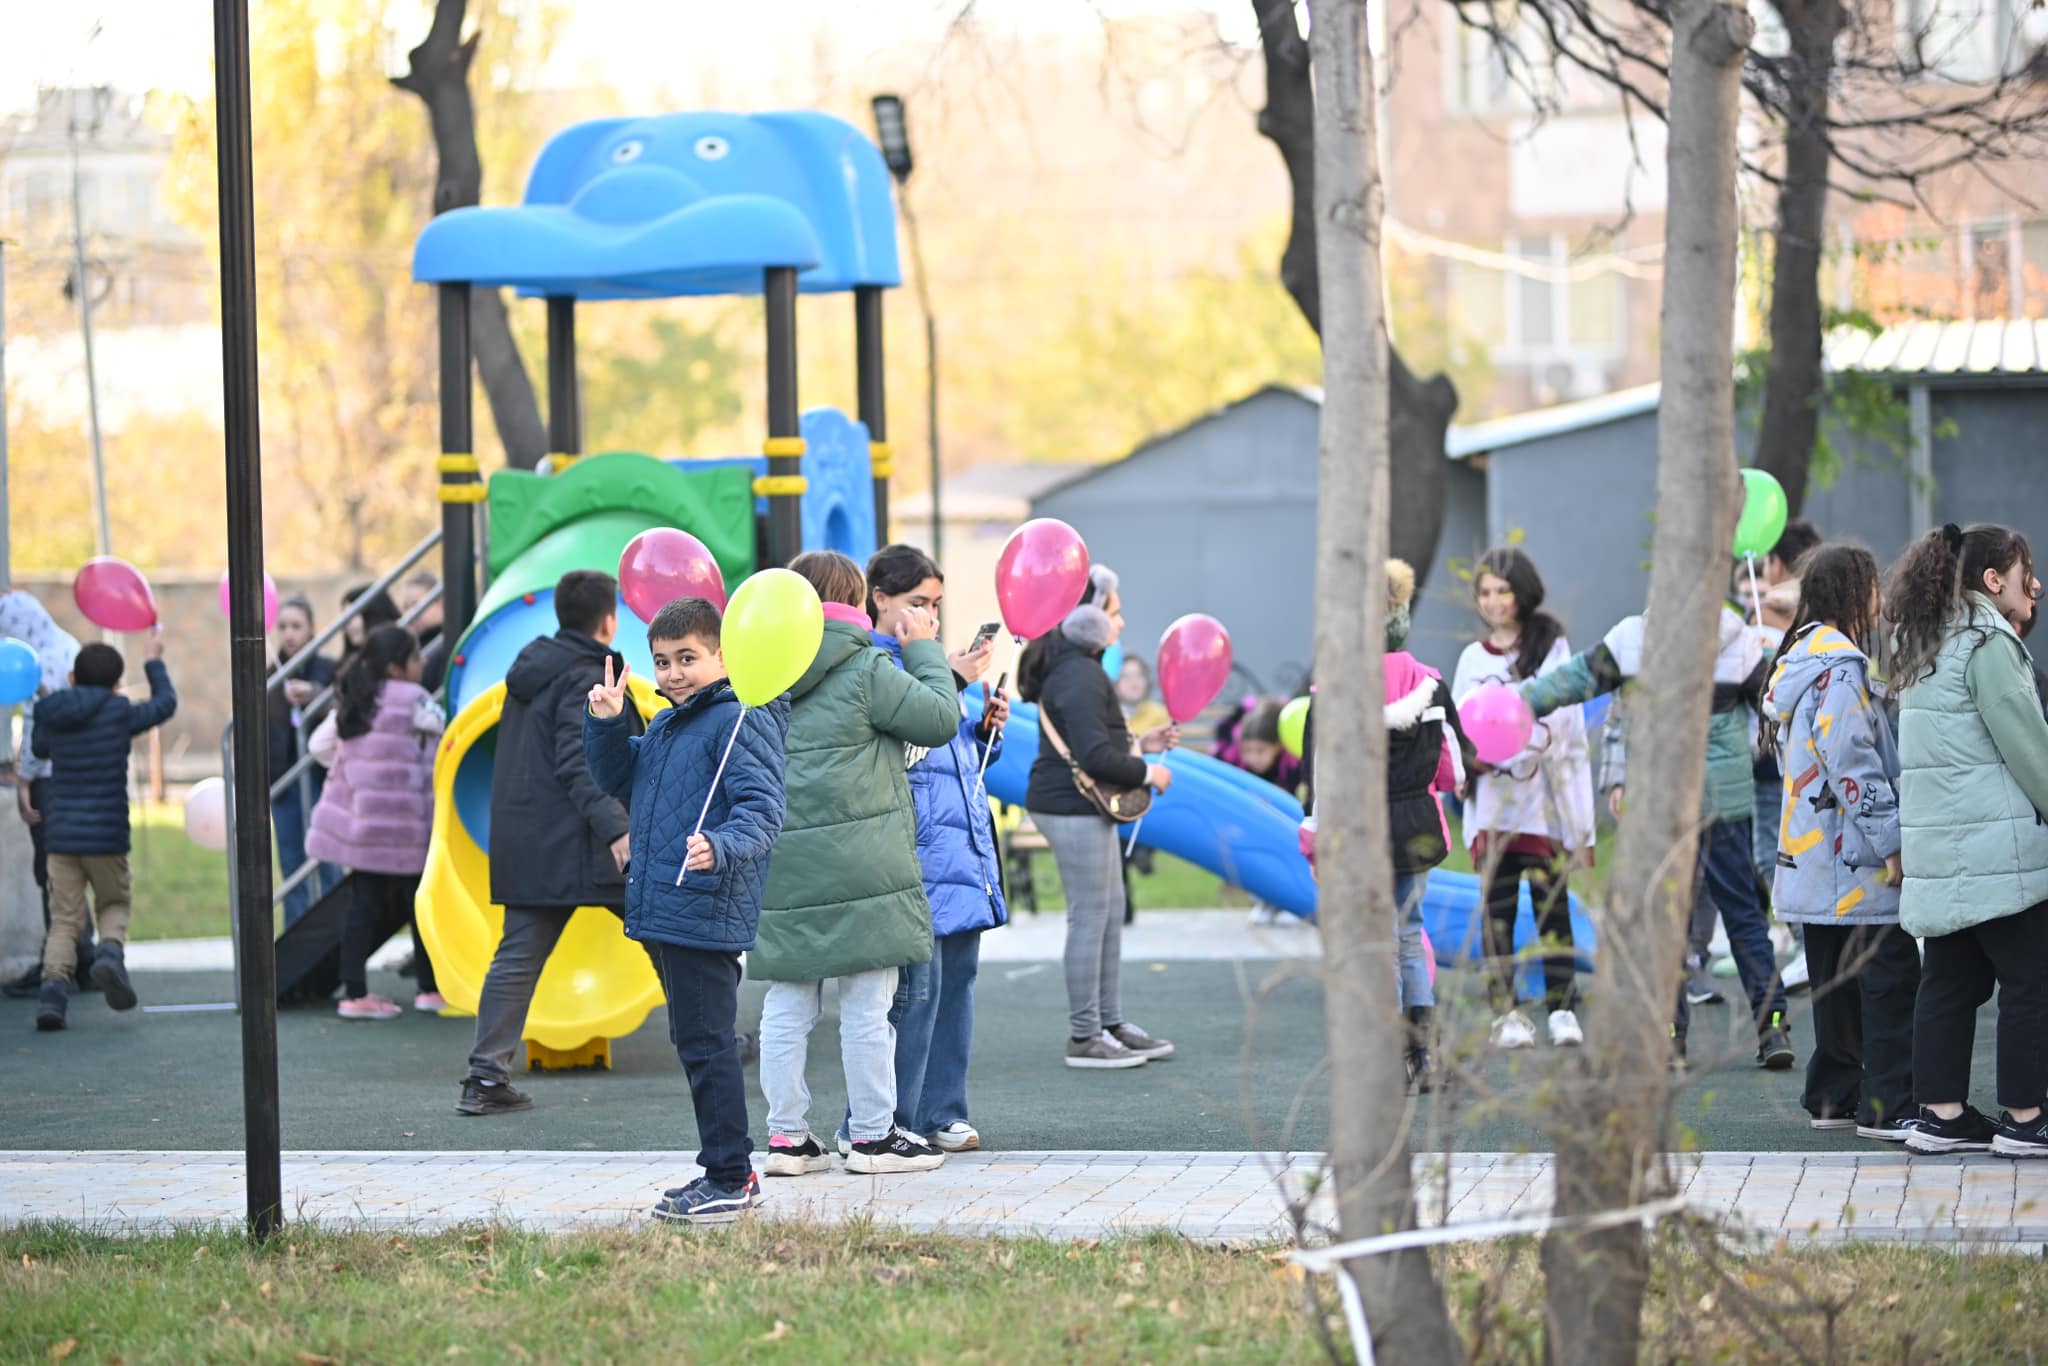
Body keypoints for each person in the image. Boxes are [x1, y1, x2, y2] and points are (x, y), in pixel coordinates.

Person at [750, 550, 964, 1175]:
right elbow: (940, 718)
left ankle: (786, 1138)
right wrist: (925, 649)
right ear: (854, 601)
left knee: (788, 1002)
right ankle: (872, 1136)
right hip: (865, 864)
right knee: (868, 1005)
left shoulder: (764, 673)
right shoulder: (868, 668)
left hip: (786, 860)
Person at [584, 597, 789, 1224]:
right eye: (663, 662)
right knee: (697, 1041)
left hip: (704, 906)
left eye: (687, 659)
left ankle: (730, 1176)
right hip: (666, 904)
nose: (674, 673)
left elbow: (763, 811)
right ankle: (727, 1171)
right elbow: (618, 779)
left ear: (722, 656)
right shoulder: (670, 724)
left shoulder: (740, 718)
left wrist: (719, 847)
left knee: (707, 1045)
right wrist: (609, 722)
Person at [1521, 600, 1792, 1072]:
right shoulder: (1741, 641)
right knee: (1744, 914)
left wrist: (1519, 702)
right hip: (1722, 802)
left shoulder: (1630, 638)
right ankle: (1773, 1028)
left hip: (1660, 804)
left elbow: (1574, 680)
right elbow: (1776, 701)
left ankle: (1670, 1036)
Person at [1886, 523, 2048, 1157]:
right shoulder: (1987, 641)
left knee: (1949, 982)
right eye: (2025, 570)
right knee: (2032, 979)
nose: (2034, 583)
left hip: (1942, 851)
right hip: (1995, 852)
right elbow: (2029, 748)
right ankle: (2026, 1118)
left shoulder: (1928, 638)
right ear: (1992, 579)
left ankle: (1941, 1113)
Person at [456, 571, 639, 1116]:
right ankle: (711, 1042)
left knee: (517, 958)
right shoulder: (586, 676)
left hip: (536, 842)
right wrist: (618, 828)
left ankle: (485, 1076)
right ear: (609, 621)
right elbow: (580, 759)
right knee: (667, 933)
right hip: (586, 841)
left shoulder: (533, 670)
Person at [853, 544, 1011, 1155]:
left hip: (958, 852)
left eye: (937, 605)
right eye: (918, 602)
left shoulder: (934, 667)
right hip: (913, 854)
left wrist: (982, 730)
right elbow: (900, 746)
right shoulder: (874, 666)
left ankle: (945, 1111)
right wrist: (951, 678)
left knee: (956, 988)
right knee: (911, 999)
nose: (931, 616)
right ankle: (886, 1120)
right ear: (880, 599)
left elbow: (950, 754)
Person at [1761, 543, 1918, 1141]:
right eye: (1873, 585)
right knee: (1890, 974)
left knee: (1835, 982)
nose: (1880, 597)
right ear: (1853, 594)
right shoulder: (1841, 668)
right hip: (1854, 859)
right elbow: (1851, 759)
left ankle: (1834, 1095)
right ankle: (1887, 1103)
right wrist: (1891, 840)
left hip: (1812, 855)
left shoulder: (1800, 659)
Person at [1300, 560, 1476, 1091]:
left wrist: (1315, 843)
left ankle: (1385, 1057)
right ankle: (1424, 1056)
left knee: (1375, 944)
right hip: (1417, 827)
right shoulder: (1432, 684)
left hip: (1360, 833)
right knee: (1408, 937)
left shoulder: (1333, 693)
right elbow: (1454, 766)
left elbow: (1320, 778)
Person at [1018, 563, 1179, 1070]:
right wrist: (1148, 772)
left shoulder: (1077, 669)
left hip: (1077, 805)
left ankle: (1109, 1023)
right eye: (1115, 611)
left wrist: (1140, 743)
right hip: (1071, 807)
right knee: (1091, 916)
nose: (1121, 622)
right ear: (1089, 618)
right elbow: (1093, 757)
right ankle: (1085, 1034)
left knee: (1107, 912)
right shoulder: (1080, 673)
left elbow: (1094, 740)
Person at [1450, 548, 1594, 1051]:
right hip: (1493, 806)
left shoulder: (1551, 648)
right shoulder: (1472, 660)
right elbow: (1459, 727)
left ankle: (1562, 1008)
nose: (1493, 602)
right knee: (1498, 910)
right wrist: (1471, 762)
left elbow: (1567, 725)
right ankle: (1505, 1012)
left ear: (1522, 593)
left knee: (1552, 906)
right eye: (1485, 592)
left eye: (1503, 591)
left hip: (1542, 804)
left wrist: (1580, 822)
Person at [27, 633, 176, 1031]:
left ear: (72, 677)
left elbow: (40, 749)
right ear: (117, 683)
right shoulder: (119, 711)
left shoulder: (52, 710)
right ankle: (109, 953)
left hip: (62, 836)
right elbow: (165, 704)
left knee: (64, 919)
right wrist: (153, 660)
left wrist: (47, 705)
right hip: (107, 835)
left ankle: (52, 994)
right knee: (113, 903)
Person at [305, 625, 443, 1020]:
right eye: (416, 657)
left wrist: (356, 767)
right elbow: (443, 737)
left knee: (361, 910)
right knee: (421, 909)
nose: (423, 661)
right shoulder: (417, 699)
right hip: (409, 829)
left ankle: (355, 993)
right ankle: (429, 989)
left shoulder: (359, 699)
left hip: (367, 831)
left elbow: (318, 745)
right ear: (397, 667)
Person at [1, 589, 86, 1000]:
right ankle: (83, 956)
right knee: (71, 868)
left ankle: (56, 964)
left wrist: (24, 782)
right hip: (78, 774)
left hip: (50, 780)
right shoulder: (67, 644)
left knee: (50, 872)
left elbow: (38, 728)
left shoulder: (37, 661)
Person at [268, 595, 339, 925]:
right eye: (283, 626)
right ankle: (296, 931)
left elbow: (344, 706)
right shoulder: (270, 676)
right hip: (283, 783)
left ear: (311, 628)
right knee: (291, 863)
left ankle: (335, 931)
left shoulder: (328, 669)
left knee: (328, 861)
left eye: (296, 626)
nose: (289, 634)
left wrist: (314, 694)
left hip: (322, 780)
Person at [1213, 699, 1304, 795]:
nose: (1253, 757)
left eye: (1260, 751)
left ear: (1278, 746)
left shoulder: (1294, 772)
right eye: (1247, 750)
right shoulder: (1231, 764)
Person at [1115, 654, 1171, 736]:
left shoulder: (1159, 713)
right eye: (1126, 676)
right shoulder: (1108, 714)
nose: (1134, 681)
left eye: (1139, 675)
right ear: (1114, 682)